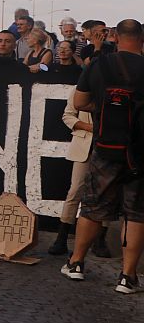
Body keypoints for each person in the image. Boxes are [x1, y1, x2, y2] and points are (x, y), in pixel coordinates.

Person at [63, 19, 144, 293]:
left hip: (106, 146)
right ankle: (127, 277)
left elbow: (79, 103)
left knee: (93, 206)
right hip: (140, 152)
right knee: (136, 213)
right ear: (141, 39)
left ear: (116, 37)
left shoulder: (99, 65)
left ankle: (76, 263)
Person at [48, 87, 103, 256]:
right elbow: (68, 115)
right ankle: (62, 238)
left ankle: (100, 240)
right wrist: (88, 127)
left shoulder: (113, 87)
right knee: (75, 191)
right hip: (83, 145)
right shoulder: (80, 89)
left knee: (106, 193)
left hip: (107, 147)